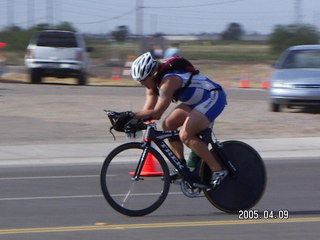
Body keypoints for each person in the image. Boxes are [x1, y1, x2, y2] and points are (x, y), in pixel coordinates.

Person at [129, 52, 228, 187]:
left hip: (212, 96)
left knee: (186, 135)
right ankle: (182, 167)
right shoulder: (152, 84)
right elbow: (147, 111)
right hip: (195, 101)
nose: (142, 84)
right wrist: (132, 121)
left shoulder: (168, 82)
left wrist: (130, 115)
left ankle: (218, 170)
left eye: (143, 81)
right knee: (168, 124)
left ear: (152, 75)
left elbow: (156, 113)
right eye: (139, 81)